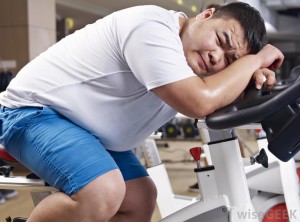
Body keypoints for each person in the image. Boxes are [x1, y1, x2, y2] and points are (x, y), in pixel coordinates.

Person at [0, 2, 283, 222]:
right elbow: (200, 102)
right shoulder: (152, 28)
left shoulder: (193, 67)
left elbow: (217, 92)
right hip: (33, 111)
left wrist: (252, 74)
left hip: (86, 131)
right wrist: (255, 60)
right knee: (103, 191)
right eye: (221, 40)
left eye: (230, 60)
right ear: (206, 15)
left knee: (140, 199)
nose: (216, 57)